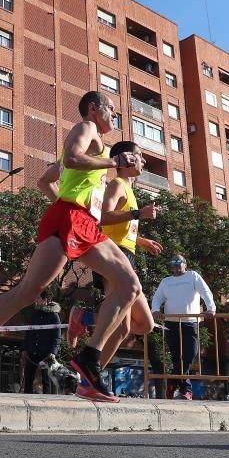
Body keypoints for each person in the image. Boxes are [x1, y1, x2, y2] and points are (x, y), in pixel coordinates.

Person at [0, 91, 142, 402]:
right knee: (26, 293)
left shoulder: (97, 147)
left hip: (79, 222)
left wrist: (69, 207)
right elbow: (73, 158)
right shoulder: (87, 129)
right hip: (71, 218)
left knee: (127, 285)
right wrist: (113, 162)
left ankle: (89, 359)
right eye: (112, 110)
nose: (115, 117)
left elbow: (46, 179)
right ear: (95, 109)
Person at [68, 141, 163, 371]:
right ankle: (91, 375)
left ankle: (86, 319)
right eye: (140, 156)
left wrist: (141, 241)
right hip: (113, 257)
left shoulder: (129, 189)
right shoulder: (117, 185)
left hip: (126, 254)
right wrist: (138, 213)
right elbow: (103, 217)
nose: (144, 161)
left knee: (145, 324)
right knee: (121, 328)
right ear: (126, 158)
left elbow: (119, 229)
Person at [151, 254, 216, 400]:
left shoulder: (193, 276)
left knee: (190, 354)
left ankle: (173, 382)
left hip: (190, 322)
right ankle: (186, 390)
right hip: (171, 323)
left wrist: (211, 308)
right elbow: (156, 297)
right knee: (175, 357)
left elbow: (205, 292)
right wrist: (155, 310)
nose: (176, 264)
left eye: (179, 261)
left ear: (185, 264)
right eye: (173, 262)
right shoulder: (166, 281)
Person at [22, 293, 62, 394]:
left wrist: (53, 352)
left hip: (46, 353)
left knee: (47, 380)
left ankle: (47, 400)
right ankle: (26, 397)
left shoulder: (54, 316)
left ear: (45, 300)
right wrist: (24, 349)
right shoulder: (35, 314)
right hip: (32, 351)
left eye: (39, 298)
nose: (36, 300)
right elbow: (28, 333)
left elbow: (57, 336)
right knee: (28, 377)